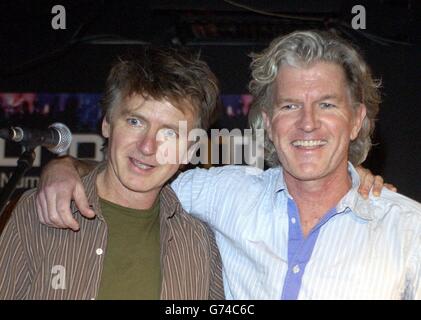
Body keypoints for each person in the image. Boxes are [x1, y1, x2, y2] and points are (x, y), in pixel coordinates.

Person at [34, 30, 416, 299]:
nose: (308, 122)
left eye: (327, 104)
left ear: (356, 120)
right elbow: (131, 175)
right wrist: (64, 166)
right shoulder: (222, 192)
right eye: (289, 105)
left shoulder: (408, 229)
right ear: (267, 122)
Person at [0, 47, 224, 299]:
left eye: (169, 133)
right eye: (135, 122)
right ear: (107, 123)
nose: (147, 146)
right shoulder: (36, 212)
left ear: (189, 150)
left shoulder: (199, 244)